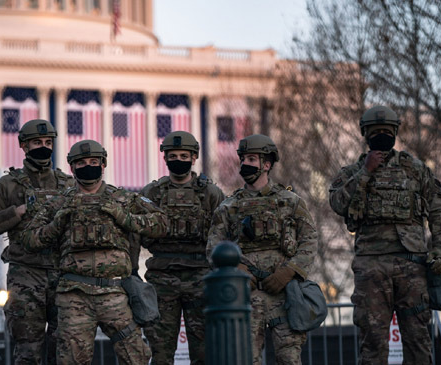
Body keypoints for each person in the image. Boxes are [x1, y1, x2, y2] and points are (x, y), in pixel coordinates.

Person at [20, 139, 167, 364]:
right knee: (71, 360)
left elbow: (161, 223)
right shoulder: (60, 203)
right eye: (81, 163)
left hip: (115, 292)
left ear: (103, 164)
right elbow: (29, 239)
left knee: (136, 356)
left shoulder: (123, 199)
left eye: (93, 161)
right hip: (74, 295)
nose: (88, 166)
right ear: (72, 167)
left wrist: (124, 218)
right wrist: (57, 224)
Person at [329, 105, 441, 364]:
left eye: (387, 131)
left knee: (418, 343)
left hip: (412, 268)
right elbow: (337, 203)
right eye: (375, 131)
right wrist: (365, 172)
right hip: (371, 269)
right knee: (373, 347)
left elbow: (440, 210)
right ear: (365, 134)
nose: (381, 135)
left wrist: (440, 250)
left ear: (395, 133)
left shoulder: (415, 169)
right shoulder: (351, 172)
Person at [207, 134, 318, 365]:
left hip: (284, 294)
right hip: (247, 297)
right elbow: (214, 248)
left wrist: (289, 271)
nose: (245, 164)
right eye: (243, 159)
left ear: (266, 164)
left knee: (289, 358)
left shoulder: (291, 201)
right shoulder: (228, 207)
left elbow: (309, 240)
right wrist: (237, 272)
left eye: (252, 159)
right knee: (246, 358)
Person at [0, 119, 74, 364]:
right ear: (23, 145)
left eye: (47, 142)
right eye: (36, 142)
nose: (43, 147)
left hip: (62, 273)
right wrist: (15, 212)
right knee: (27, 350)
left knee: (63, 348)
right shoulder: (8, 185)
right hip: (25, 275)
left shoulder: (67, 185)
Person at [138, 131, 225, 364]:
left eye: (184, 155)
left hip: (201, 277)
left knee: (205, 350)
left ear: (194, 157)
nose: (178, 160)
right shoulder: (151, 194)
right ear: (165, 158)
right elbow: (135, 233)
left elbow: (226, 233)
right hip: (162, 278)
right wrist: (130, 275)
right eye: (173, 155)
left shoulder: (210, 194)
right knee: (160, 350)